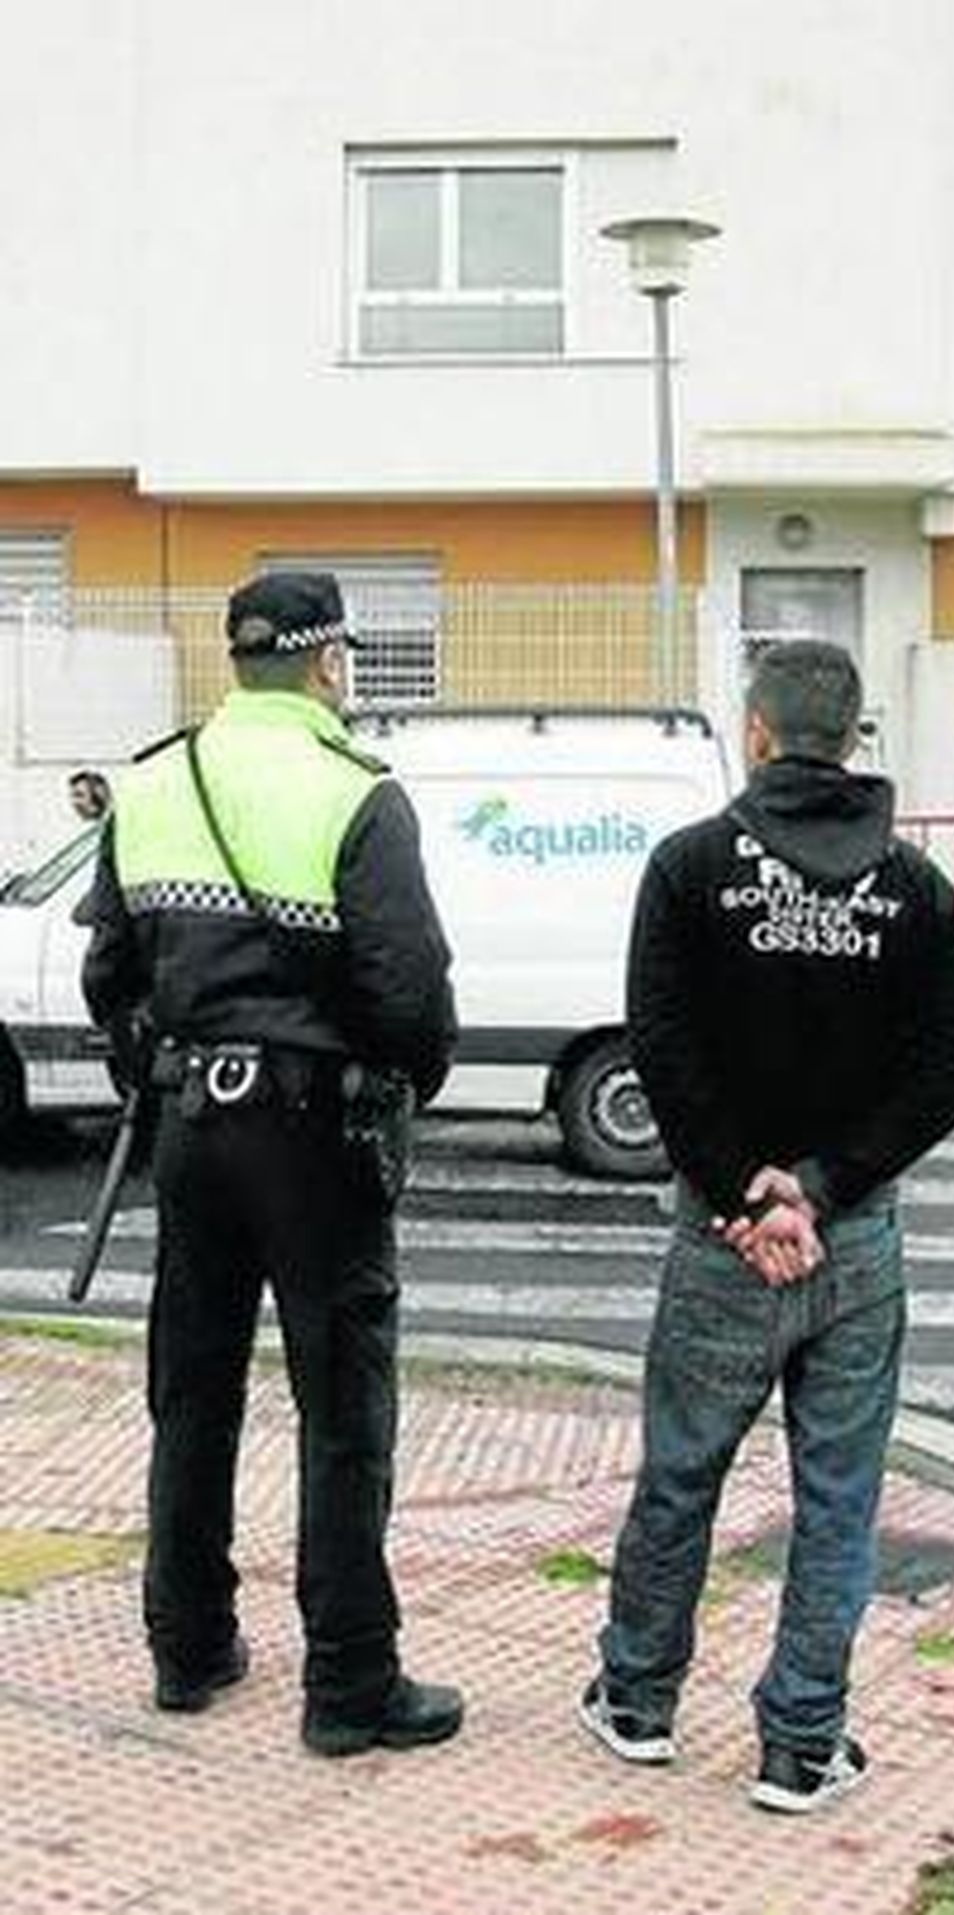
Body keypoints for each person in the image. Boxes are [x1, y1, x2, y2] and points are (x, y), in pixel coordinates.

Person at [579, 638, 954, 1814]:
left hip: (722, 1237)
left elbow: (662, 1043)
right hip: (853, 1241)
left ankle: (640, 1701)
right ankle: (802, 1742)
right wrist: (824, 1184)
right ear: (853, 739)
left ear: (755, 733)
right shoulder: (913, 890)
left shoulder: (690, 868)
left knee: (682, 1472)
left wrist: (743, 1194)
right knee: (840, 1494)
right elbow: (952, 1070)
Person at [80, 570, 463, 1757]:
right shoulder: (358, 793)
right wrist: (398, 1083)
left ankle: (187, 1649)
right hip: (316, 1135)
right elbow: (411, 997)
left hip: (193, 1125)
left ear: (238, 659)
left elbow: (110, 977)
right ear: (330, 661)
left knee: (191, 1391)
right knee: (342, 1407)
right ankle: (349, 1684)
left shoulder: (153, 784)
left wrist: (162, 1063)